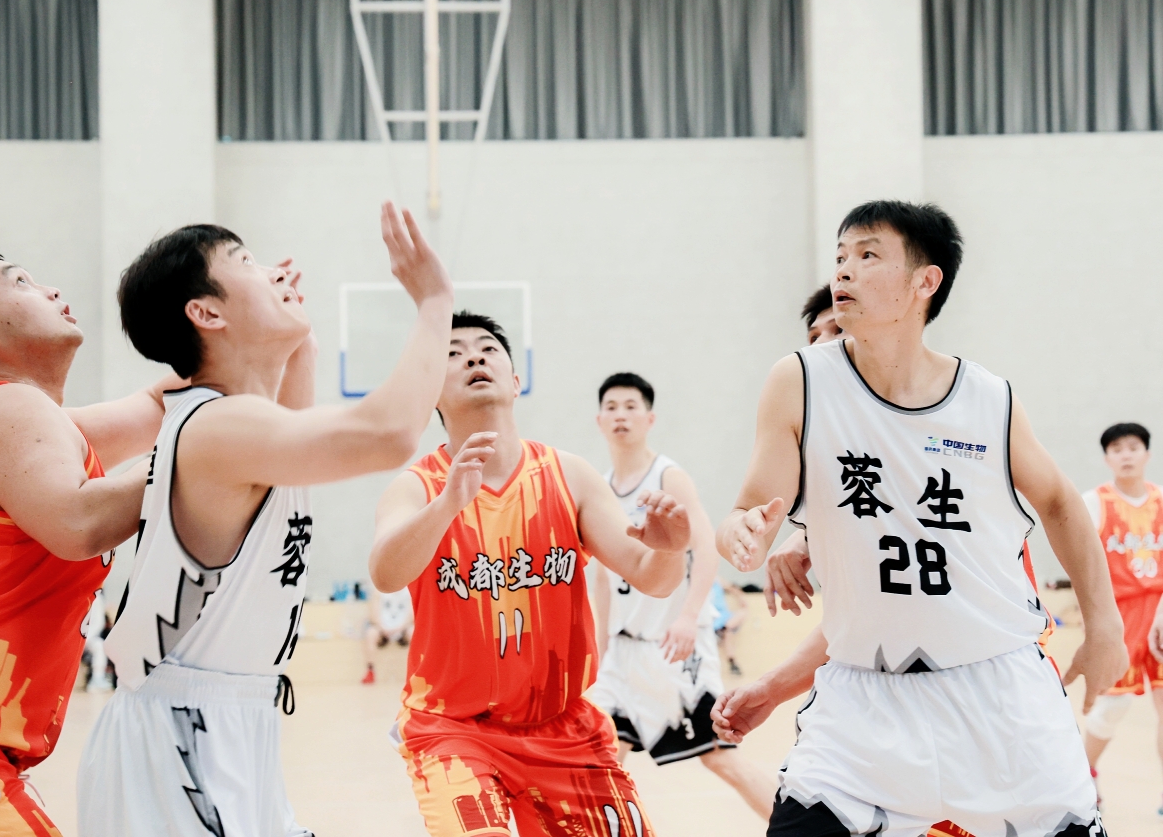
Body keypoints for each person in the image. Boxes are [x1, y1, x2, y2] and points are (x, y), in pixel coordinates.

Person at [715, 200, 1124, 837]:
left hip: (999, 692)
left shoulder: (988, 399)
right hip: (862, 704)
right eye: (840, 256)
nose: (844, 270)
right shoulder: (799, 380)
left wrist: (1105, 627)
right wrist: (742, 532)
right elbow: (749, 509)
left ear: (924, 282)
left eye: (867, 255)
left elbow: (1060, 503)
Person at [77, 203, 454, 837]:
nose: (275, 272)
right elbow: (388, 433)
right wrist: (435, 302)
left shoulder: (245, 427)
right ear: (206, 313)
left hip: (227, 721)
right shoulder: (217, 426)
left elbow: (292, 417)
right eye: (246, 261)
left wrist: (291, 337)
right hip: (177, 740)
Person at [0, 244, 180, 836]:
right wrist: (196, 457)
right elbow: (80, 523)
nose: (50, 290)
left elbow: (161, 406)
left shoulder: (18, 426)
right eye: (20, 281)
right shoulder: (4, 406)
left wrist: (249, 338)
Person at [370, 312, 692, 837]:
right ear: (431, 394)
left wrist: (671, 549)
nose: (474, 356)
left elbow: (650, 575)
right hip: (454, 730)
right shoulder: (416, 487)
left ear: (516, 381)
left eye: (487, 348)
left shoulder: (569, 475)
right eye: (453, 353)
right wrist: (447, 504)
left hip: (563, 727)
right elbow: (386, 572)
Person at [586, 371, 775, 819]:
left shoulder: (668, 476)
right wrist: (601, 645)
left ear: (649, 419)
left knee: (721, 758)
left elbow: (706, 548)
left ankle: (802, 830)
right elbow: (601, 576)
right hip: (623, 654)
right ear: (599, 420)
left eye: (630, 406)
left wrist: (689, 616)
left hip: (673, 648)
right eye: (611, 407)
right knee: (600, 759)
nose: (620, 415)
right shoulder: (599, 488)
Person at [1081, 423, 1163, 807]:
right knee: (1113, 705)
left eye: (1133, 447)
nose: (1126, 454)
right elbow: (1080, 564)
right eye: (1117, 448)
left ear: (1147, 454)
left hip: (1161, 610)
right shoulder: (1094, 502)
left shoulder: (1161, 500)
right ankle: (1084, 773)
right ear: (1107, 458)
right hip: (1119, 614)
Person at [362, 586, 414, 684]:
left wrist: (399, 628)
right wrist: (382, 628)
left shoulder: (409, 590)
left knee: (414, 633)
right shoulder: (379, 590)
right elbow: (373, 615)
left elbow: (412, 615)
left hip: (403, 627)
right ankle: (370, 671)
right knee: (370, 633)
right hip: (382, 628)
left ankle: (416, 671)